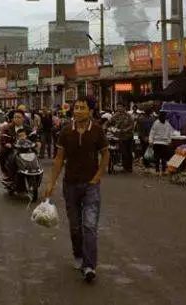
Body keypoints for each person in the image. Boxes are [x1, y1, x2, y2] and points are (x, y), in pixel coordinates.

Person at [44, 98, 109, 283]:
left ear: (90, 111)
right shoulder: (66, 131)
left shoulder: (97, 130)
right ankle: (78, 254)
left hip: (91, 186)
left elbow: (105, 154)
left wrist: (98, 176)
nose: (78, 111)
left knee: (89, 225)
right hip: (70, 184)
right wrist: (51, 183)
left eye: (82, 108)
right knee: (75, 226)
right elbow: (59, 159)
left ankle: (89, 266)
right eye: (76, 108)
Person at [0, 109, 27, 179]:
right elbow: (2, 137)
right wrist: (6, 143)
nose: (17, 119)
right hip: (12, 148)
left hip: (25, 148)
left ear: (23, 118)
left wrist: (37, 142)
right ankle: (5, 172)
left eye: (19, 117)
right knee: (3, 153)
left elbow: (34, 136)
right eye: (15, 117)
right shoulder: (6, 128)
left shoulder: (27, 128)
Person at [107, 104, 135, 173]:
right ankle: (125, 167)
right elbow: (109, 122)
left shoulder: (128, 116)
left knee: (129, 152)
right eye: (118, 107)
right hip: (120, 137)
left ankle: (129, 167)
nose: (119, 108)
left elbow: (132, 125)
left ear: (124, 107)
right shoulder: (116, 115)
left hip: (128, 136)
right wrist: (107, 127)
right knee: (123, 152)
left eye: (120, 107)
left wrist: (126, 129)